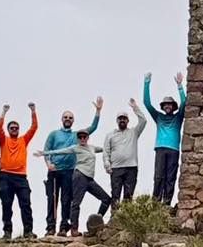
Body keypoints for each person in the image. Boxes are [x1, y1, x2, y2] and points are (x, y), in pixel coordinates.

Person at [43, 100, 102, 234]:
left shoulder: (77, 136)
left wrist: (98, 111)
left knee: (66, 199)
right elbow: (46, 150)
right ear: (61, 119)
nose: (68, 119)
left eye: (70, 118)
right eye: (66, 117)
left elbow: (93, 127)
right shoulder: (54, 134)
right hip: (54, 171)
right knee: (52, 199)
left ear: (73, 120)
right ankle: (50, 227)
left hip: (69, 171)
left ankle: (64, 227)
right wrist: (48, 164)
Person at [37, 130, 110, 234]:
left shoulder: (92, 148)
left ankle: (97, 222)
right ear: (77, 139)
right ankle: (74, 229)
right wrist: (44, 153)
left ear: (88, 138)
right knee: (76, 203)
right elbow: (60, 151)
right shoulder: (75, 148)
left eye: (84, 137)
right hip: (79, 176)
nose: (82, 139)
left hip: (89, 178)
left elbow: (105, 150)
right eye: (80, 137)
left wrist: (115, 147)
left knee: (106, 199)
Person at [143, 72, 186, 205]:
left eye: (170, 104)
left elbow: (184, 102)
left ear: (173, 107)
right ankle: (155, 203)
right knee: (159, 176)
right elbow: (147, 103)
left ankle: (166, 204)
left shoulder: (178, 117)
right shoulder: (159, 117)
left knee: (170, 177)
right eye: (165, 104)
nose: (168, 106)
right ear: (163, 106)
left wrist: (179, 86)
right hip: (161, 149)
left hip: (173, 149)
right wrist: (146, 83)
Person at [0, 102, 38, 239]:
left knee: (26, 204)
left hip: (21, 177)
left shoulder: (23, 140)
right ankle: (7, 232)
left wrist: (33, 111)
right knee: (6, 204)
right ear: (8, 130)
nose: (14, 129)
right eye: (12, 128)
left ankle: (28, 231)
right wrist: (4, 112)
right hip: (6, 176)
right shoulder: (4, 140)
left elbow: (34, 127)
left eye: (16, 128)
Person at [103, 100, 147, 208]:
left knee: (128, 195)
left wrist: (135, 108)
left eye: (124, 118)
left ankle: (125, 220)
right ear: (117, 121)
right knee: (115, 194)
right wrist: (107, 165)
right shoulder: (110, 135)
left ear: (127, 120)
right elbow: (106, 151)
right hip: (116, 168)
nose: (122, 120)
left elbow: (143, 121)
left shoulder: (134, 132)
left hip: (131, 167)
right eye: (120, 118)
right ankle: (114, 218)